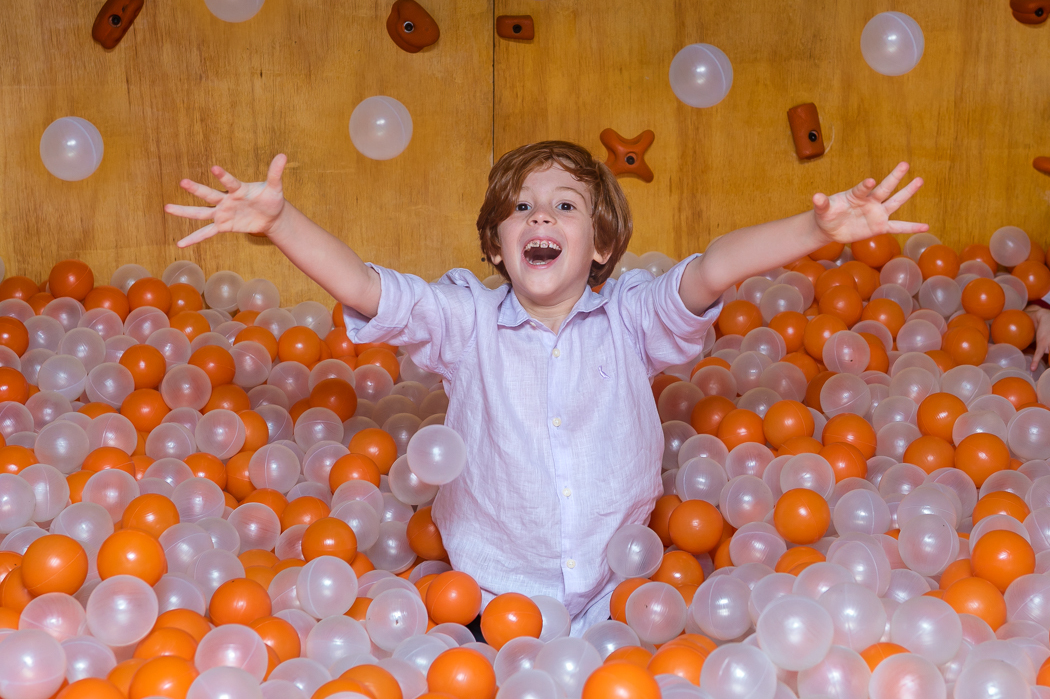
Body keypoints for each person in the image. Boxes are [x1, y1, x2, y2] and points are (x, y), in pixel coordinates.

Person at [164, 141, 926, 633]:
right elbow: (368, 290)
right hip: (491, 599)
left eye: (566, 206)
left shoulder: (632, 318)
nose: (540, 216)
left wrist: (817, 231)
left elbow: (714, 267)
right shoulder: (466, 320)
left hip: (615, 593)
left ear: (599, 247)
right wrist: (280, 220)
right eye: (521, 207)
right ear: (498, 245)